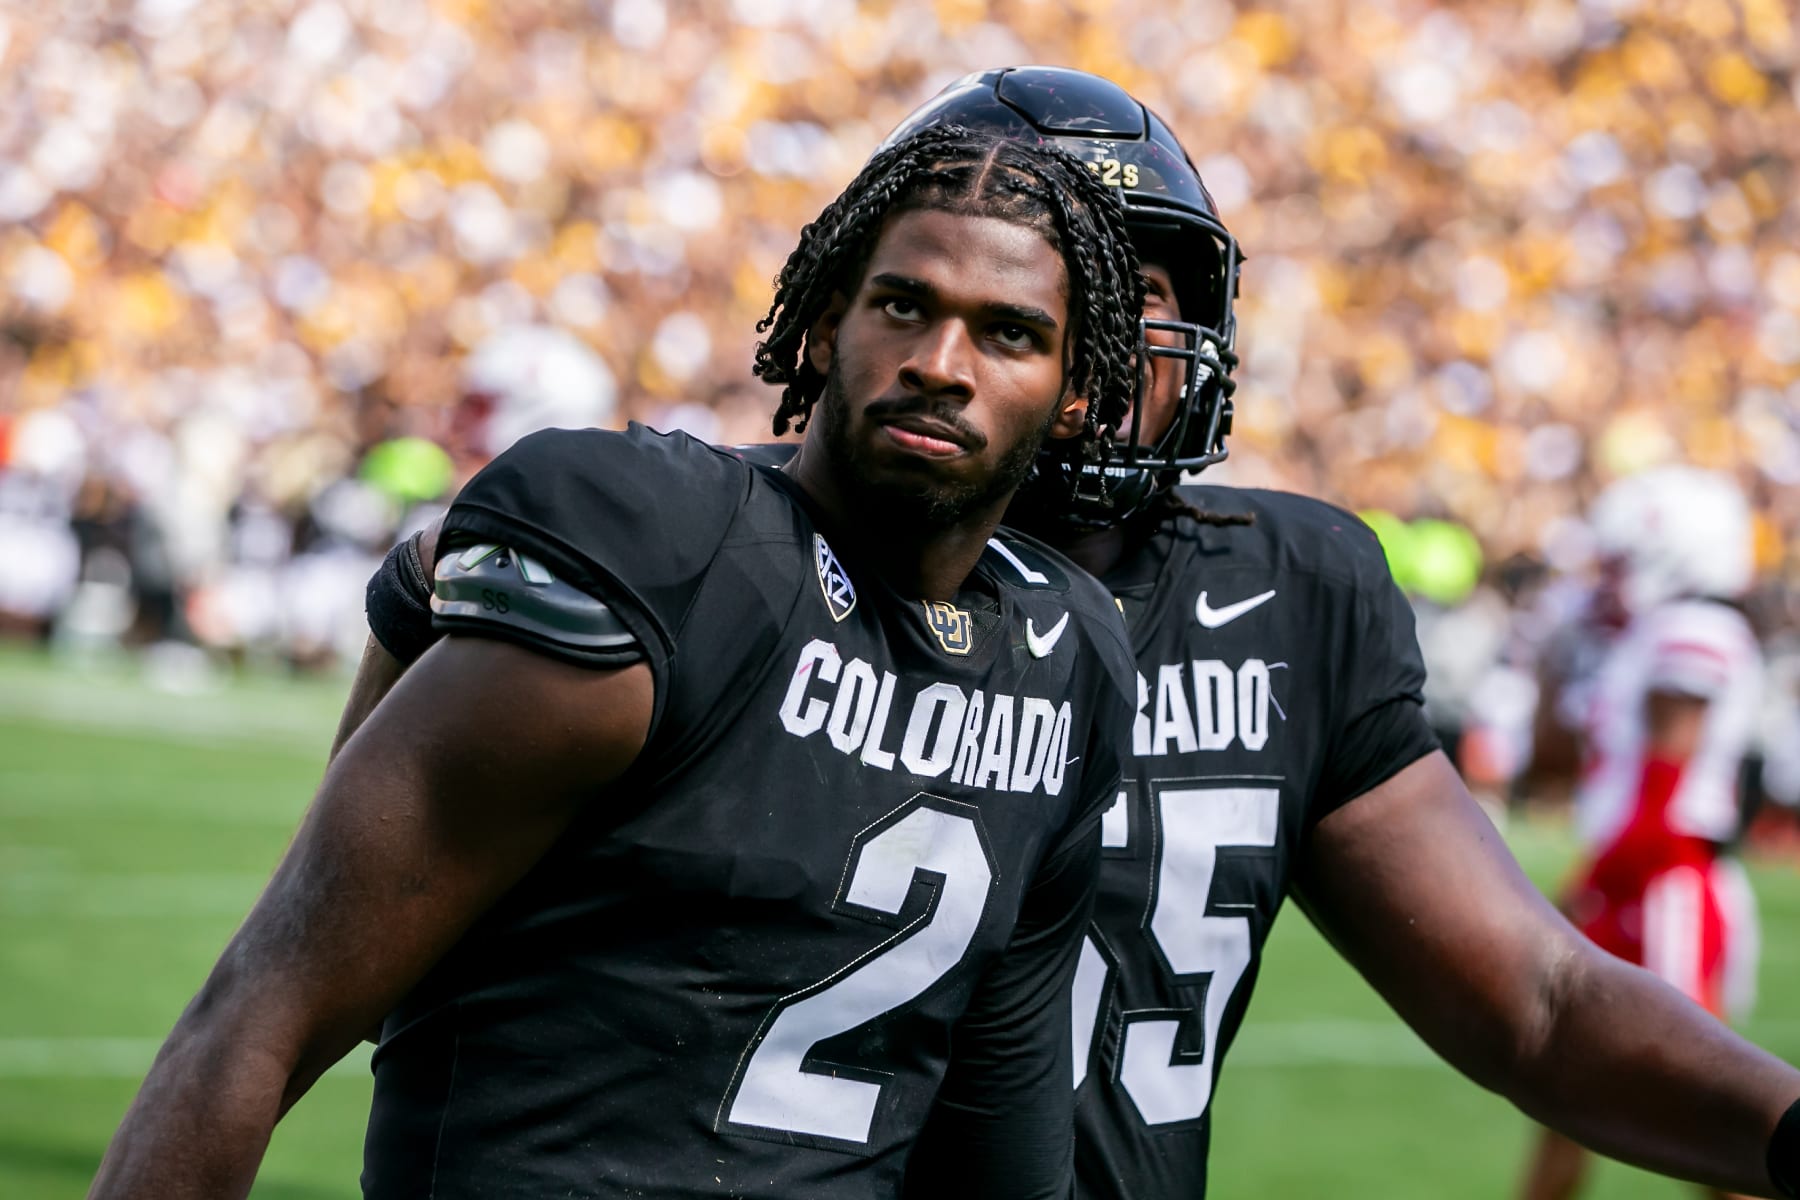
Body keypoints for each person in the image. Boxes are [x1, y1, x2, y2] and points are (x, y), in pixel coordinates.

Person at [338, 67, 1800, 1200]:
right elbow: (350, 918)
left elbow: (1536, 1001)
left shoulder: (1296, 591)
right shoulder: (737, 558)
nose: (1104, 342)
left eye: (1134, 293)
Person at [87, 125, 1145, 1200]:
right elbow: (259, 1017)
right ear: (828, 325)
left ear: (1074, 393)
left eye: (1009, 333)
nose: (939, 366)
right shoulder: (675, 555)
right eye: (903, 305)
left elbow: (1001, 1152)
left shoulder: (1068, 655)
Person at [1520, 468, 1769, 1200]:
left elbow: (1663, 794)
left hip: (1664, 886)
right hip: (1637, 876)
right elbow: (1555, 762)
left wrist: (1588, 888)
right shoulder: (1652, 634)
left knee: (1709, 1113)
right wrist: (1548, 663)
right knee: (1565, 1095)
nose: (1612, 576)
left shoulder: (1698, 630)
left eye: (1625, 559)